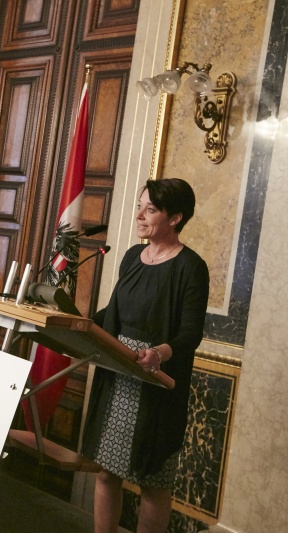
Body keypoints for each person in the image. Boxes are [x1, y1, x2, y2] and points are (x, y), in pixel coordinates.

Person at [82, 178, 209, 533]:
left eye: (150, 209)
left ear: (176, 218)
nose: (138, 215)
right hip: (118, 370)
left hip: (156, 380)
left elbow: (190, 333)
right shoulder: (130, 257)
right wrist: (77, 323)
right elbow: (114, 310)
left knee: (153, 482)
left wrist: (158, 353)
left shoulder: (190, 267)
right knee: (107, 471)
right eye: (140, 205)